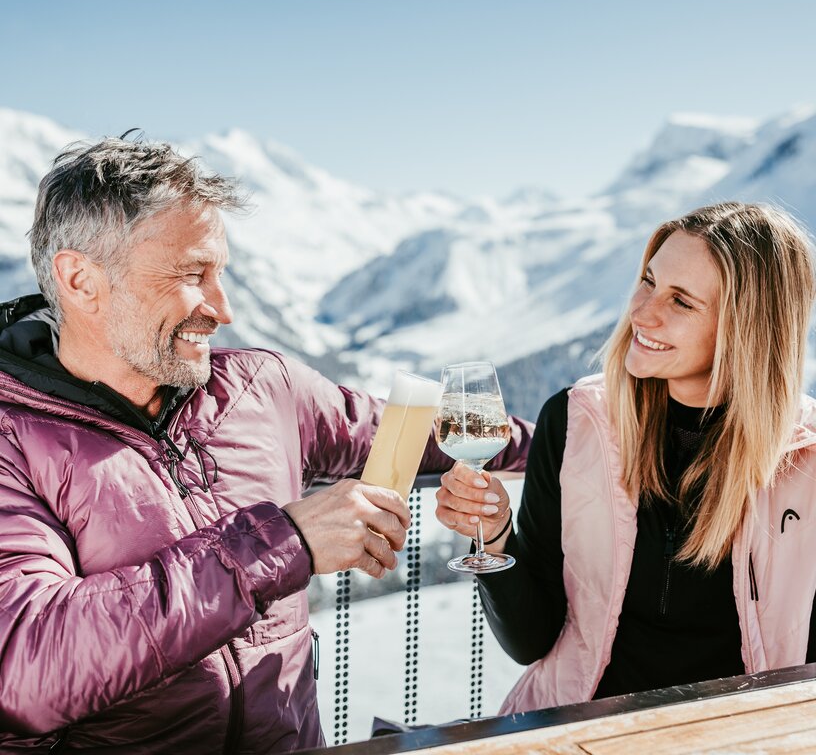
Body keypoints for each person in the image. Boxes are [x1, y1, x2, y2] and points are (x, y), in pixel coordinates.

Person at [0, 137, 532, 752]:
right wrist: (284, 542)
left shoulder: (260, 387)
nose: (221, 309)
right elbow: (28, 667)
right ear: (81, 280)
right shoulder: (14, 438)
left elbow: (418, 434)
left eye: (220, 273)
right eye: (192, 275)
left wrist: (582, 436)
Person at [436, 202, 816, 714]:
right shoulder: (575, 422)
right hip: (577, 727)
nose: (641, 311)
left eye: (680, 301)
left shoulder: (806, 460)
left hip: (740, 736)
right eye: (648, 280)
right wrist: (498, 534)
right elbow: (530, 640)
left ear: (748, 329)